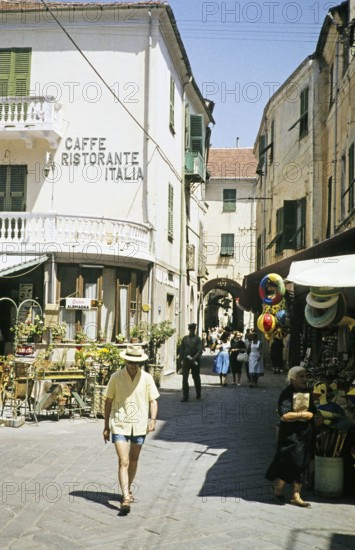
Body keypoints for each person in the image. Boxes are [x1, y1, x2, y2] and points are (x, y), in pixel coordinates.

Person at [103, 345, 160, 514]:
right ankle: (126, 496)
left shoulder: (147, 378)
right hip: (119, 423)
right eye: (130, 361)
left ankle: (127, 489)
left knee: (134, 460)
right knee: (124, 461)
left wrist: (153, 419)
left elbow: (153, 401)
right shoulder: (116, 377)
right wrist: (106, 426)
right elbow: (108, 401)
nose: (133, 365)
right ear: (125, 361)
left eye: (136, 362)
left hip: (140, 424)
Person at [265, 366, 317, 507]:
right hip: (291, 435)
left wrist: (319, 416)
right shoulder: (286, 393)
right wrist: (302, 415)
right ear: (293, 378)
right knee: (291, 461)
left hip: (305, 433)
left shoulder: (306, 392)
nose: (305, 379)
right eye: (301, 376)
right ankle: (279, 488)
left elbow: (312, 410)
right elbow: (285, 415)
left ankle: (296, 495)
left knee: (304, 463)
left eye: (306, 376)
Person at [180, 322, 203, 402]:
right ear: (189, 329)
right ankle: (185, 395)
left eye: (193, 329)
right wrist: (180, 360)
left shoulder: (197, 339)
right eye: (190, 329)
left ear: (194, 329)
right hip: (186, 360)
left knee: (196, 377)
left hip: (195, 361)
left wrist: (194, 358)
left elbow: (200, 350)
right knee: (184, 378)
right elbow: (182, 350)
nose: (192, 330)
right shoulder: (185, 338)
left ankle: (198, 393)